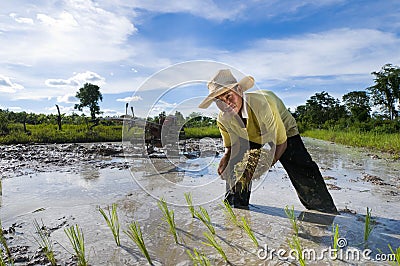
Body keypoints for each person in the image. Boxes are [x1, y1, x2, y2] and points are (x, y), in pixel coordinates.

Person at [198, 69, 338, 214]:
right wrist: (226, 158)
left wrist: (263, 166)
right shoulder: (223, 119)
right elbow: (231, 146)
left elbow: (281, 143)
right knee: (237, 165)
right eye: (219, 101)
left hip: (282, 130)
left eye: (229, 96)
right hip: (248, 135)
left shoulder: (264, 104)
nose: (226, 104)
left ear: (239, 90)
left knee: (300, 166)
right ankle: (236, 207)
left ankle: (324, 210)